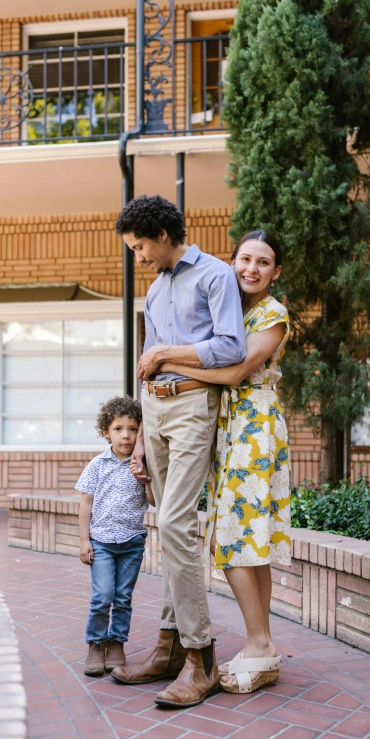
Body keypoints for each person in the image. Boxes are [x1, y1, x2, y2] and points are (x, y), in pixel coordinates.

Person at [110, 194, 246, 708]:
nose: (138, 256)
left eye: (140, 246)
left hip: (193, 408)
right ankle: (169, 648)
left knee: (175, 523)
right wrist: (140, 437)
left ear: (163, 236)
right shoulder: (155, 288)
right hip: (158, 410)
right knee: (165, 524)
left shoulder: (214, 276)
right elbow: (146, 369)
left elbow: (231, 347)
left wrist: (167, 351)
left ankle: (201, 658)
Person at [158, 229, 291, 695]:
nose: (251, 269)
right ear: (232, 262)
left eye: (263, 262)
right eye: (245, 259)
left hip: (254, 429)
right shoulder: (231, 308)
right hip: (227, 427)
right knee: (248, 536)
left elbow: (236, 371)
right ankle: (263, 643)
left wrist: (174, 367)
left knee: (233, 538)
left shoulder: (273, 314)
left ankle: (258, 643)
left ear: (276, 271)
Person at [76, 396, 154, 678]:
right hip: (102, 543)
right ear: (106, 431)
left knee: (122, 597)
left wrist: (143, 477)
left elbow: (153, 500)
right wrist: (84, 540)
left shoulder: (144, 464)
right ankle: (96, 644)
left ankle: (117, 643)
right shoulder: (98, 465)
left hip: (132, 542)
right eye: (119, 428)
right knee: (102, 596)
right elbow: (86, 503)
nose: (126, 435)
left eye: (133, 429)